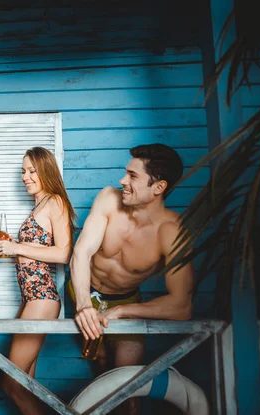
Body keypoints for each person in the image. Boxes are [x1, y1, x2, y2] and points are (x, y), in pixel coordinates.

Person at [69, 143, 194, 415]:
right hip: (84, 289)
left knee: (126, 382)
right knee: (100, 365)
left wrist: (123, 311)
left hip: (126, 300)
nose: (122, 181)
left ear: (158, 187)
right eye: (126, 173)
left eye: (132, 176)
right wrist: (83, 304)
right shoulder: (108, 199)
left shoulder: (171, 231)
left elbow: (181, 306)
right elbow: (82, 252)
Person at [0, 147, 76, 415]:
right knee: (23, 383)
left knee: (12, 384)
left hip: (42, 297)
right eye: (23, 171)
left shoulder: (55, 202)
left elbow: (64, 253)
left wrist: (17, 248)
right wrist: (11, 247)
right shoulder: (40, 205)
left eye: (32, 171)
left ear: (46, 172)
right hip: (30, 298)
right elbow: (34, 253)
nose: (25, 176)